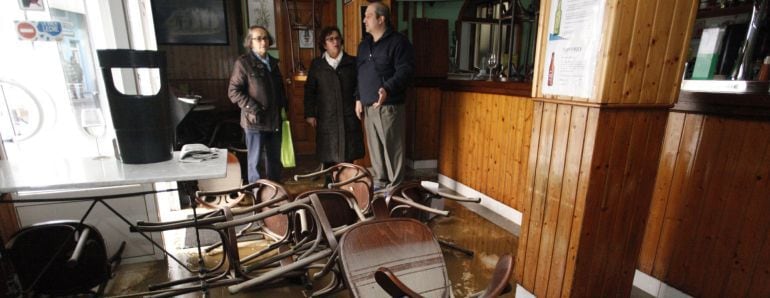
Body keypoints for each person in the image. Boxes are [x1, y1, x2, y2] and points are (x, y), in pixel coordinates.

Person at [356, 1, 415, 191]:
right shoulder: (364, 45)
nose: (364, 20)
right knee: (375, 150)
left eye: (368, 16)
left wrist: (387, 88)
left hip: (389, 105)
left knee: (392, 149)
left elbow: (405, 71)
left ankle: (396, 188)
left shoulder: (399, 42)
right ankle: (381, 183)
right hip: (367, 105)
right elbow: (360, 73)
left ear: (381, 19)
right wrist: (358, 98)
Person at [228, 25, 287, 183]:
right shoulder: (243, 63)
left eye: (266, 38)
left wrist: (283, 108)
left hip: (274, 120)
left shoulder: (273, 63)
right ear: (250, 42)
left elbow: (279, 89)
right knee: (255, 163)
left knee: (274, 161)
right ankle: (258, 198)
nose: (263, 41)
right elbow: (233, 91)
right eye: (258, 38)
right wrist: (253, 108)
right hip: (255, 122)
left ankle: (275, 194)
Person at [304, 26, 365, 170]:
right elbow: (310, 90)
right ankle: (329, 184)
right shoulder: (317, 65)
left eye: (337, 38)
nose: (335, 42)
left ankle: (348, 183)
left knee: (348, 152)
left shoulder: (352, 62)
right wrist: (310, 113)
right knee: (328, 151)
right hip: (327, 115)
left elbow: (360, 84)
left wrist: (358, 98)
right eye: (330, 39)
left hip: (348, 113)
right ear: (324, 44)